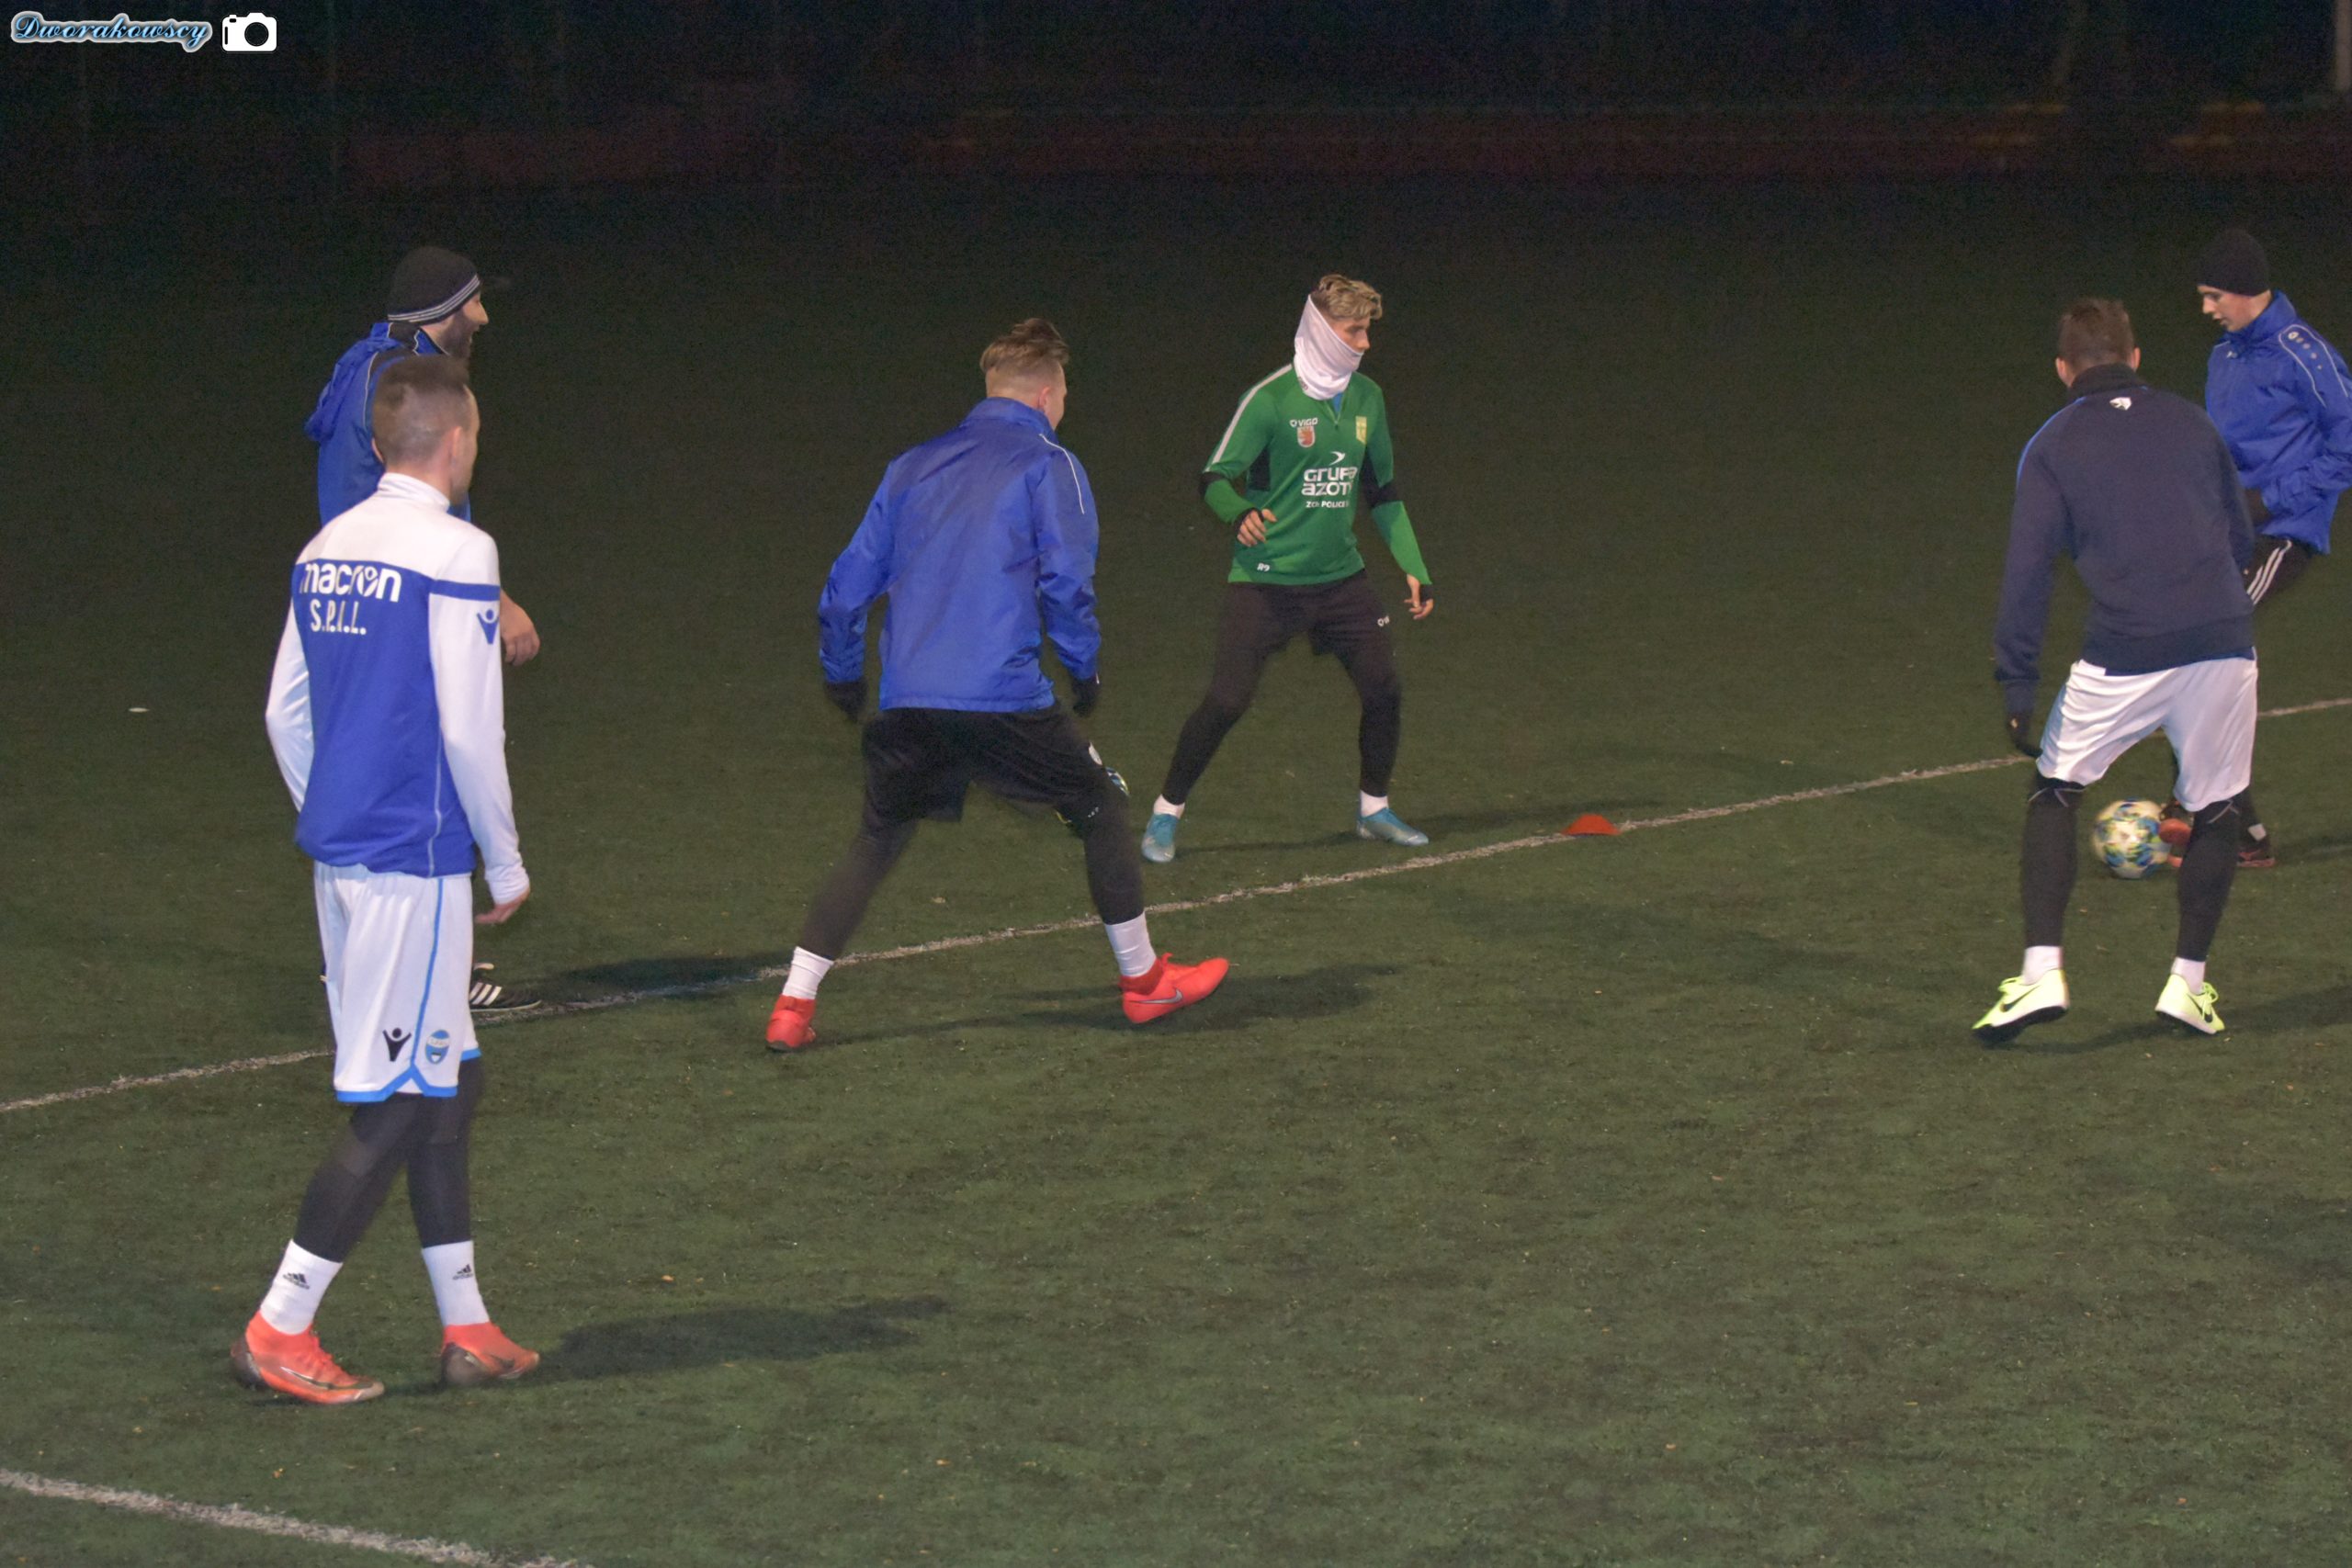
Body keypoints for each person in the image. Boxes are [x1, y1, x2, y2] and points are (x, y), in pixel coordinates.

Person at [767, 320, 1228, 1050]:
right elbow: (1067, 583)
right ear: (1045, 395)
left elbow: (845, 590)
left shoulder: (910, 466)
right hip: (1000, 698)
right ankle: (1145, 985)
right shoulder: (1050, 463)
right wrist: (1083, 667)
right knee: (1099, 804)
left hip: (910, 697)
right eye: (1065, 393)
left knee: (879, 836)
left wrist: (843, 674)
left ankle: (793, 1003)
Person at [243, 355, 539, 1404]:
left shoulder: (326, 545)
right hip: (413, 862)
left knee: (451, 1081)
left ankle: (467, 1326)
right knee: (404, 1100)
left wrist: (336, 806)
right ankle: (280, 1327)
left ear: (379, 445)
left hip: (346, 855)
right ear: (456, 443)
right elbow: (468, 726)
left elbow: (283, 711)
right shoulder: (458, 550)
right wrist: (504, 857)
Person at [1975, 299, 2256, 1045]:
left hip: (2127, 646)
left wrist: (2017, 683)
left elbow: (2029, 573)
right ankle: (2188, 986)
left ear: (2063, 370)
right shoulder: (2193, 422)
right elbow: (2239, 536)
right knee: (2217, 807)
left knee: (2056, 786)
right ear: (2135, 358)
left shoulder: (2051, 444)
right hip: (2222, 637)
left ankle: (2041, 972)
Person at [307, 244, 539, 1012]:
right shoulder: (411, 387)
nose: (483, 317)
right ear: (443, 313)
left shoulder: (371, 364)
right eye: (472, 303)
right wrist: (489, 596)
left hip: (342, 590)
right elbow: (410, 516)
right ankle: (433, 961)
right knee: (438, 757)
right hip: (396, 602)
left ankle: (377, 937)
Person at [1137, 274, 1435, 864]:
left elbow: (1383, 491)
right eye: (1354, 331)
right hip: (1267, 582)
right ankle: (1166, 813)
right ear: (1322, 331)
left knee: (1384, 687)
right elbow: (1215, 476)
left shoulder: (1368, 399)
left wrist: (1414, 566)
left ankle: (1373, 809)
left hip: (1342, 580)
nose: (1365, 343)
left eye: (1368, 331)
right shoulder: (1270, 400)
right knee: (1227, 700)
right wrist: (1239, 512)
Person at [2168, 227, 2352, 866]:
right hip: (2232, 529)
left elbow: (2348, 443)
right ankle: (2220, 819)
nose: (2206, 308)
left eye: (2213, 295)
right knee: (2186, 650)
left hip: (2284, 532)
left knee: (2204, 644)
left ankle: (2215, 818)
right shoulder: (2225, 355)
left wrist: (2273, 499)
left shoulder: (2304, 354)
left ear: (2246, 290)